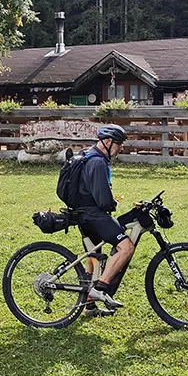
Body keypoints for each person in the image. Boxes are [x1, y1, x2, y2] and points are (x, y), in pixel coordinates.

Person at [71, 123, 138, 316]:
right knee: (126, 248)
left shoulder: (88, 154)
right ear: (108, 142)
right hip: (93, 216)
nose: (120, 149)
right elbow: (103, 201)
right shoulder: (98, 162)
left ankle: (89, 306)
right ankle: (100, 289)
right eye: (118, 144)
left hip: (84, 215)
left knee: (93, 259)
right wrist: (112, 203)